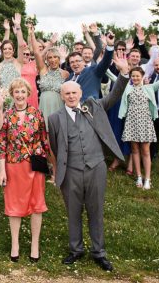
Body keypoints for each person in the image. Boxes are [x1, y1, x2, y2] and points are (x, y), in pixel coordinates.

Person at [47, 53, 131, 272]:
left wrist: (123, 74)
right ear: (61, 95)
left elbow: (113, 97)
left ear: (81, 93)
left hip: (96, 167)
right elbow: (55, 147)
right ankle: (75, 250)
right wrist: (59, 170)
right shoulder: (55, 118)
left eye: (75, 92)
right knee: (73, 212)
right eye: (67, 93)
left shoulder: (93, 107)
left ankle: (99, 252)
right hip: (71, 171)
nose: (72, 96)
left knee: (96, 210)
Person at [0, 78, 50, 263]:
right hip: (13, 166)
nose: (20, 95)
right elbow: (1, 144)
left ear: (29, 94)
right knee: (14, 206)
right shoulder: (7, 116)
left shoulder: (37, 114)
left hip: (35, 167)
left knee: (37, 205)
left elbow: (44, 140)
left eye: (23, 92)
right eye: (16, 92)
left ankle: (35, 245)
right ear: (12, 95)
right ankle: (15, 245)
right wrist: (2, 171)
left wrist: (50, 165)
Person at [118, 67, 159, 190]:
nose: (135, 78)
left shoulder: (149, 88)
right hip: (131, 122)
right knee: (135, 150)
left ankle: (147, 178)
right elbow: (114, 78)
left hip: (145, 123)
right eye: (133, 76)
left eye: (137, 76)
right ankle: (138, 176)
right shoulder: (128, 88)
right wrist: (106, 67)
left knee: (146, 151)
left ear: (142, 76)